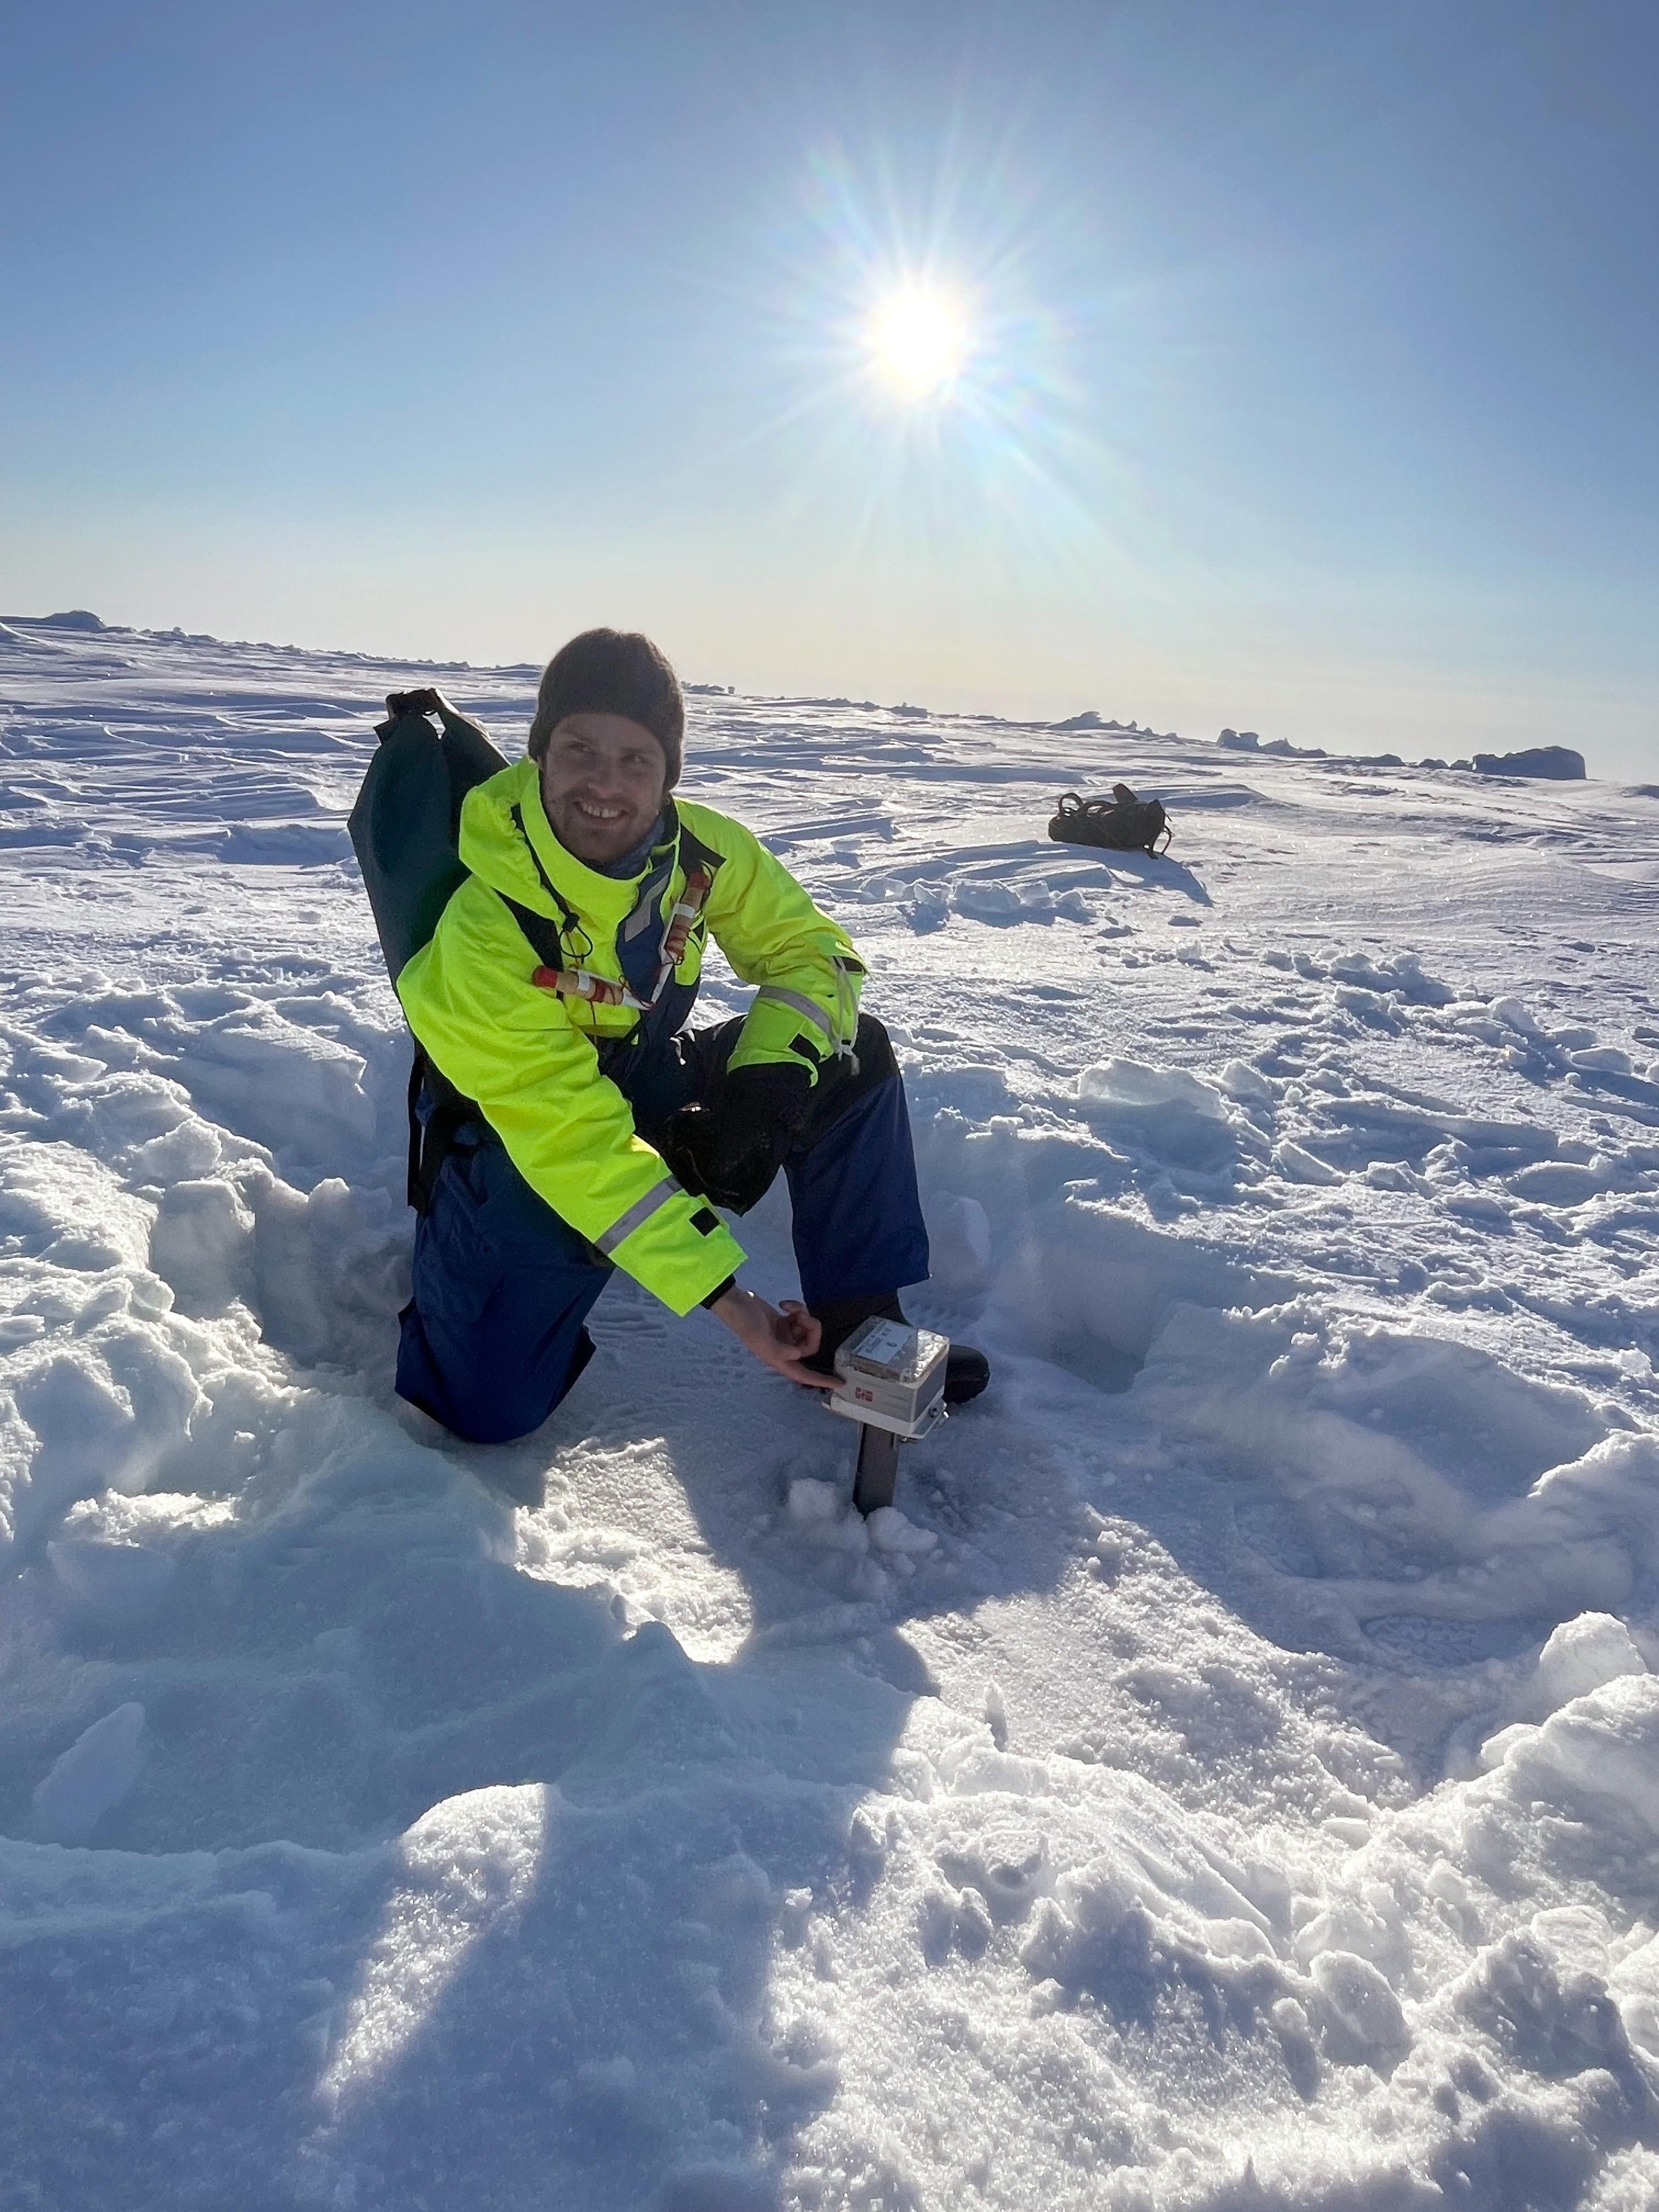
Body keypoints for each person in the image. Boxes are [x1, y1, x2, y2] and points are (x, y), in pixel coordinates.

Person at [393, 626, 989, 1444]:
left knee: (849, 1058)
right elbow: (573, 1139)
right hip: (517, 1146)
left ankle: (859, 1331)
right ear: (539, 756)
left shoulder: (701, 848)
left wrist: (765, 1090)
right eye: (580, 750)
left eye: (637, 759)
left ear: (669, 771)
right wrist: (732, 1302)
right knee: (483, 1411)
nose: (606, 785)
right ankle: (457, 1268)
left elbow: (814, 957)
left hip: (641, 1081)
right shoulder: (483, 931)